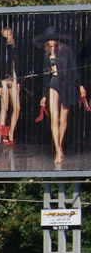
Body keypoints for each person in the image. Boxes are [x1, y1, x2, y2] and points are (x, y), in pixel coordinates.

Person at [36, 27, 88, 165]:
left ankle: (59, 144)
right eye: (49, 39)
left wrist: (80, 85)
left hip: (67, 85)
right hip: (53, 84)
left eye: (53, 38)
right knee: (54, 118)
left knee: (63, 119)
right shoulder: (46, 53)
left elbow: (74, 68)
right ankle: (58, 150)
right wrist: (43, 95)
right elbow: (45, 75)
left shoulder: (66, 50)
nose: (51, 41)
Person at [0, 25, 20, 145]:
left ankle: (11, 132)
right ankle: (3, 134)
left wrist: (17, 81)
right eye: (5, 35)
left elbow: (17, 64)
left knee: (17, 107)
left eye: (9, 34)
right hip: (4, 78)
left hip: (13, 77)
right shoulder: (0, 49)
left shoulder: (14, 47)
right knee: (5, 107)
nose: (8, 37)